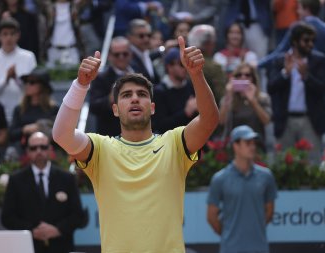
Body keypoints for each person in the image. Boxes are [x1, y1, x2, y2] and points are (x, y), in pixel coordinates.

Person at [52, 36, 219, 252]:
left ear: (152, 107)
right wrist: (81, 84)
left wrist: (196, 75)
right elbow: (61, 135)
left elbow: (209, 120)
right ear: (115, 109)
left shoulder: (174, 143)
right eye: (126, 95)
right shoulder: (100, 148)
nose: (134, 99)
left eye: (141, 95)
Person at [1, 131, 87, 253]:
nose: (39, 151)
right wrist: (31, 230)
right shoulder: (16, 180)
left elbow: (78, 215)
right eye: (33, 148)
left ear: (50, 149)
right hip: (28, 247)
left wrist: (58, 229)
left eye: (43, 147)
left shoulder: (66, 178)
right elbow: (7, 217)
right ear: (27, 151)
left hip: (61, 247)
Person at [207, 125, 277, 253]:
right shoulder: (220, 179)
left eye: (253, 143)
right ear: (235, 145)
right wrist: (230, 234)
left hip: (259, 248)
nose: (253, 146)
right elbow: (211, 216)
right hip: (230, 249)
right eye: (247, 143)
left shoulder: (266, 176)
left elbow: (269, 211)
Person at [267, 22, 325, 163]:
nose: (310, 44)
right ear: (295, 41)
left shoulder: (319, 60)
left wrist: (306, 76)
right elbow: (271, 87)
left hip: (310, 121)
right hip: (285, 120)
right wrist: (285, 73)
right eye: (306, 40)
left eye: (313, 40)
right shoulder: (280, 61)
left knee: (313, 165)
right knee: (283, 165)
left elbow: (324, 88)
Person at [0, 17, 37, 124]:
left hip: (23, 112)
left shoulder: (29, 57)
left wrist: (16, 79)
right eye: (5, 34)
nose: (9, 38)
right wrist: (5, 80)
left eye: (12, 34)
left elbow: (33, 89)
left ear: (18, 35)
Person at [219, 63, 271, 151]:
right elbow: (221, 121)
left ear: (253, 79)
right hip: (234, 146)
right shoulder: (229, 98)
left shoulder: (262, 98)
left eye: (247, 75)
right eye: (239, 75)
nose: (243, 77)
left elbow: (266, 121)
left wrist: (253, 101)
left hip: (255, 145)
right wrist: (228, 95)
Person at [89, 36, 134, 136]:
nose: (121, 57)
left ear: (131, 54)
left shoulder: (140, 72)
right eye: (117, 54)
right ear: (110, 56)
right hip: (112, 135)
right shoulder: (101, 78)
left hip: (139, 133)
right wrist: (110, 99)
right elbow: (94, 107)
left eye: (125, 54)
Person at [9, 67, 59, 155]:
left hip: (48, 152)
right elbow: (11, 135)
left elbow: (60, 134)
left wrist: (42, 128)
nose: (27, 85)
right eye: (26, 82)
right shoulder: (20, 109)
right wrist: (24, 129)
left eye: (32, 82)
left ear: (42, 86)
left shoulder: (53, 109)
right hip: (24, 152)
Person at [152, 47, 197, 134]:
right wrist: (185, 113)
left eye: (186, 64)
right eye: (181, 64)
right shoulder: (159, 92)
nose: (185, 68)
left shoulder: (189, 85)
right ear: (169, 67)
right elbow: (160, 125)